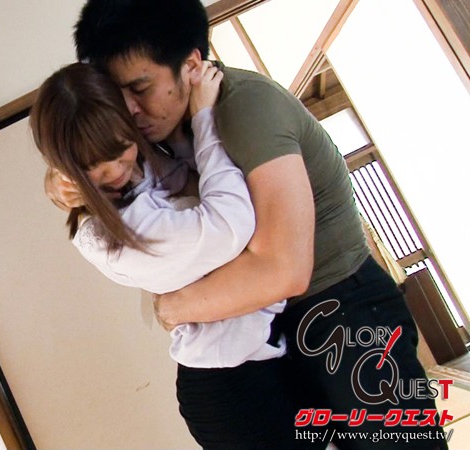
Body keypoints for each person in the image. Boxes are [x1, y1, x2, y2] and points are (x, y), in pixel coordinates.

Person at [44, 1, 448, 449]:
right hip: (275, 330)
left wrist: (175, 308)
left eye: (141, 87)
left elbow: (284, 270)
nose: (130, 109)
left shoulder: (245, 107)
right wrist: (65, 182)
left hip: (340, 306)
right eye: (117, 94)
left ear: (190, 65)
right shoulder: (152, 128)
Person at [32, 61, 303, 449]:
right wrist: (204, 117)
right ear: (66, 169)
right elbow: (231, 223)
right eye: (92, 166)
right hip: (230, 386)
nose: (115, 171)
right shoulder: (113, 238)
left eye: (120, 147)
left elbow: (186, 175)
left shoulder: (139, 172)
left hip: (258, 353)